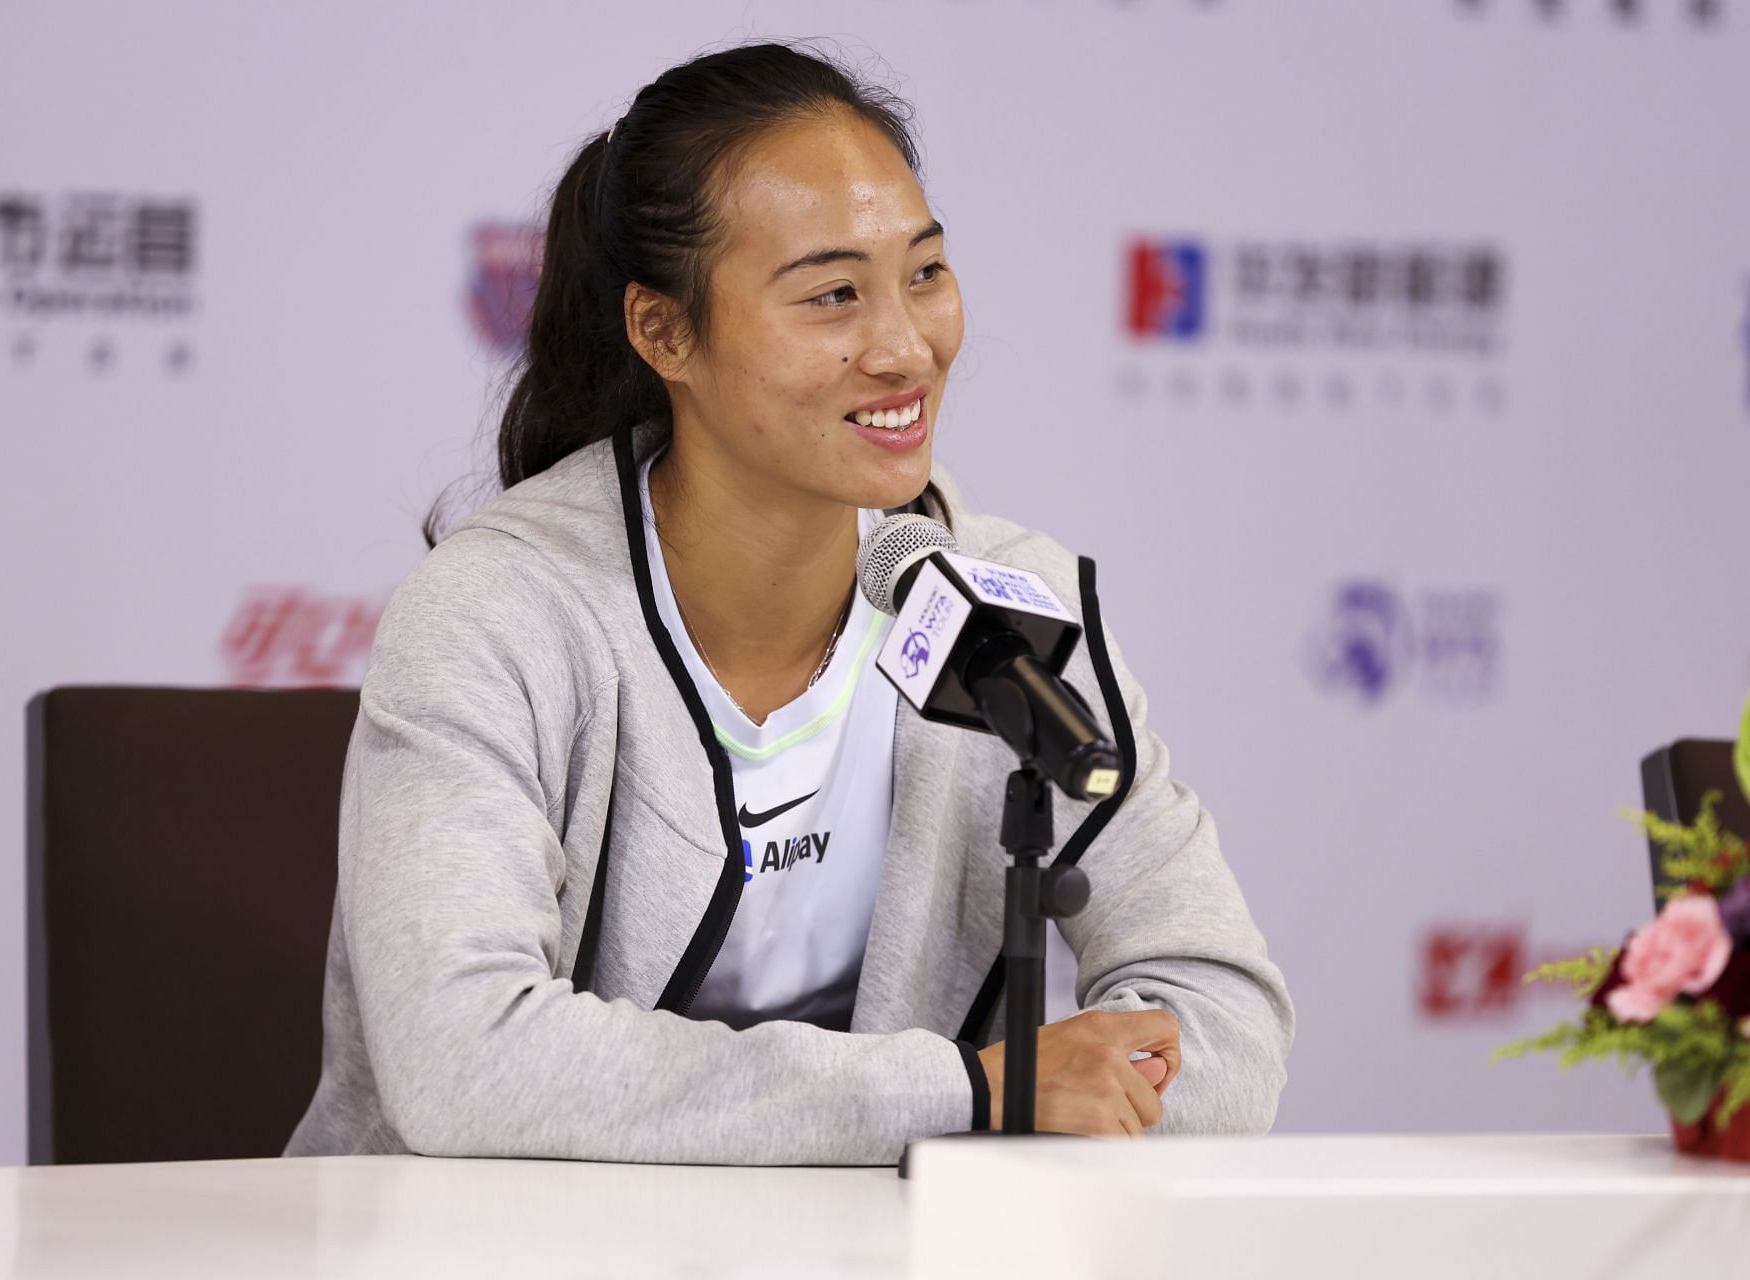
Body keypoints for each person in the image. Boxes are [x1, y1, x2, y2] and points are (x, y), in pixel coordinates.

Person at [285, 40, 1294, 1164]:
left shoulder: (1007, 607)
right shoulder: (496, 612)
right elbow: (465, 1061)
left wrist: (1059, 1093)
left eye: (925, 273)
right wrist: (966, 1090)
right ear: (664, 331)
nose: (907, 346)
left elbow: (1227, 1022)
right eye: (832, 296)